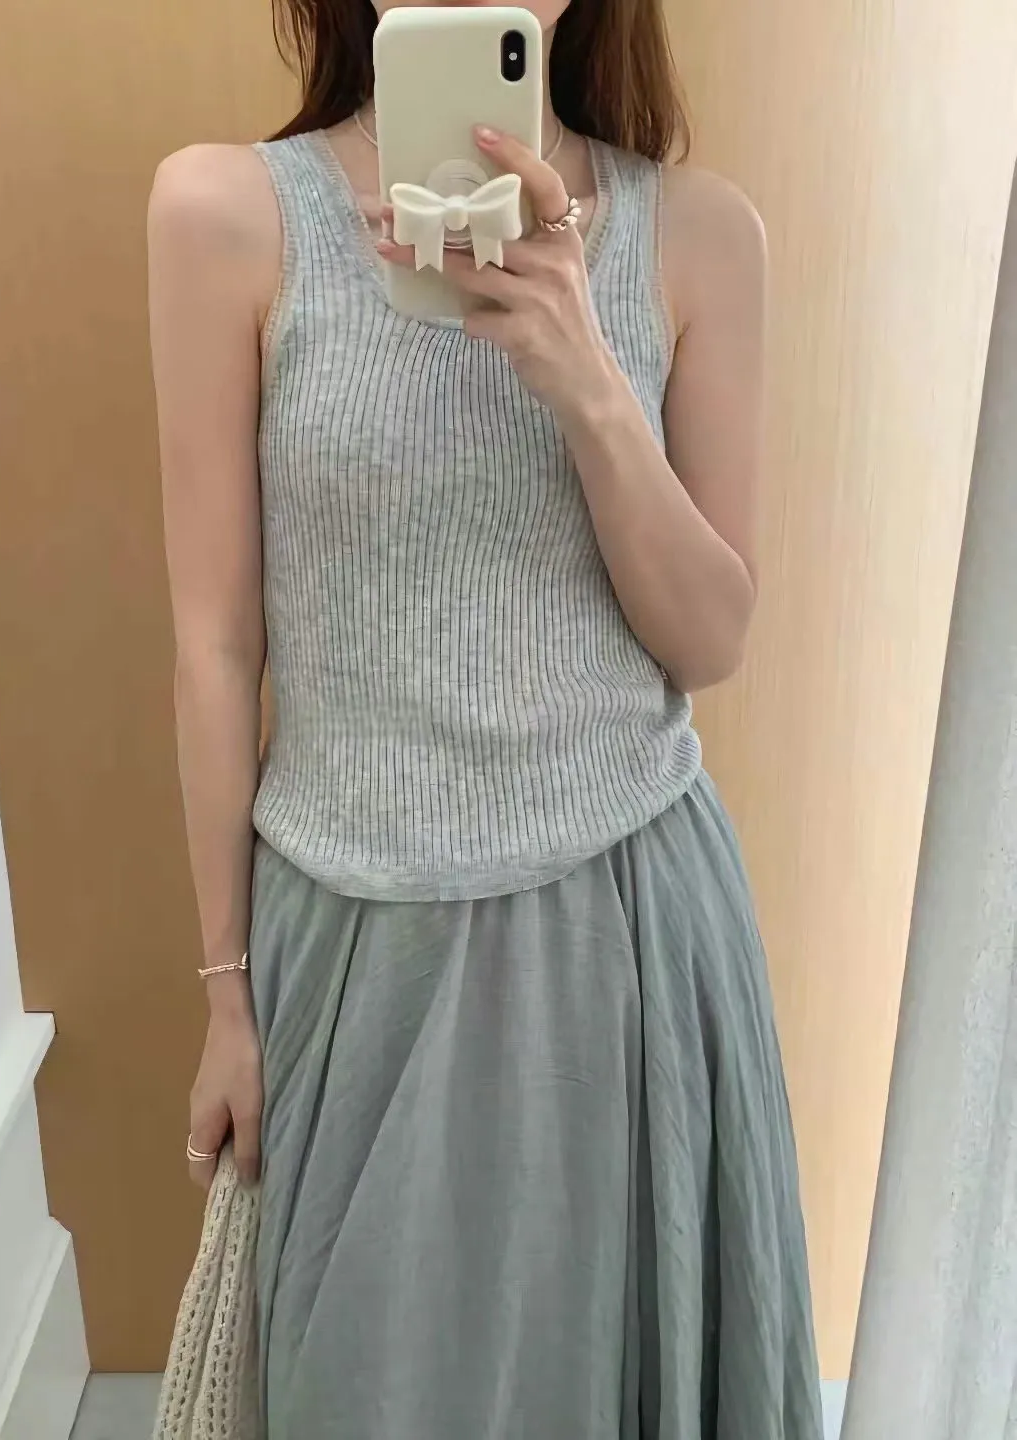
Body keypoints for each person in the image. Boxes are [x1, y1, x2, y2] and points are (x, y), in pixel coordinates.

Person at [148, 0, 824, 1435]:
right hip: (354, 955)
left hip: (630, 945)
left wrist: (588, 378)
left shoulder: (702, 236)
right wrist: (225, 996)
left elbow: (710, 638)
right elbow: (214, 643)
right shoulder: (226, 216)